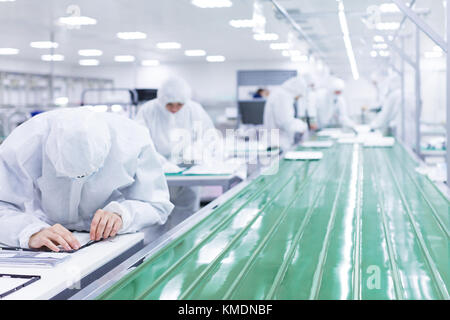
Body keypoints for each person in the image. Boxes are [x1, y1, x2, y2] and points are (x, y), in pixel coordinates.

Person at [0, 108, 173, 251]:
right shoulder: (22, 144)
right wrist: (29, 232)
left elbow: (157, 205)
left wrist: (123, 215)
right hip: (47, 242)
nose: (77, 182)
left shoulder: (133, 140)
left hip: (111, 243)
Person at [135, 77, 216, 229]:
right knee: (156, 219)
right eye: (169, 104)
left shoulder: (195, 110)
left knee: (186, 222)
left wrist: (195, 151)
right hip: (157, 175)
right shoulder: (148, 110)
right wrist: (159, 161)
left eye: (179, 104)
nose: (174, 109)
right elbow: (140, 141)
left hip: (188, 175)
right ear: (161, 100)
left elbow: (209, 137)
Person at [263, 76, 310, 150]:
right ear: (296, 90)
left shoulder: (281, 94)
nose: (298, 98)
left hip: (279, 141)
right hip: (279, 143)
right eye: (299, 95)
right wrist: (302, 126)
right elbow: (285, 122)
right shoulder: (282, 96)